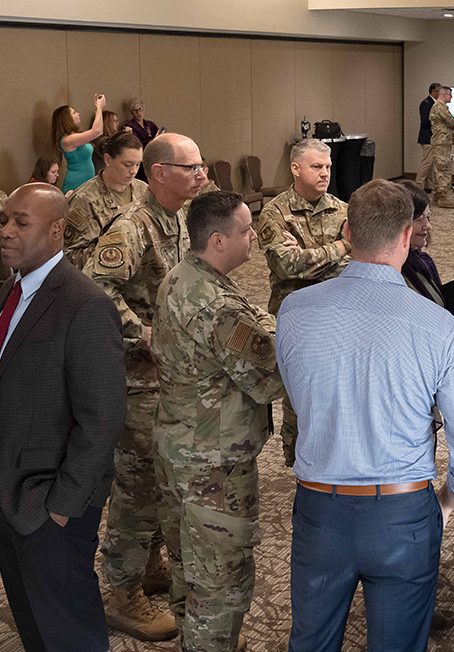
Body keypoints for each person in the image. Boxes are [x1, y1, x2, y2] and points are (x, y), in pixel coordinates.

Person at [276, 179, 454, 652]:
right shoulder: (438, 326)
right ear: (407, 233)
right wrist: (449, 503)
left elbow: (299, 398)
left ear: (348, 232)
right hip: (403, 513)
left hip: (318, 511)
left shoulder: (293, 310)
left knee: (310, 642)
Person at [0, 183, 125, 652]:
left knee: (68, 623)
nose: (5, 232)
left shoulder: (84, 303)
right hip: (5, 485)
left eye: (20, 222)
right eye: (3, 220)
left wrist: (61, 505)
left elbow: (103, 417)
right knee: (33, 618)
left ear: (57, 230)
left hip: (50, 500)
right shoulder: (13, 287)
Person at [84, 133, 207, 641]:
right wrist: (144, 332)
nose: (201, 174)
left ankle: (149, 564)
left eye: (201, 166)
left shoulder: (177, 217)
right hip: (137, 383)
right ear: (159, 173)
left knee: (163, 481)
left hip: (169, 377)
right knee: (136, 491)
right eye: (191, 166)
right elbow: (95, 287)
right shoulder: (132, 226)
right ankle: (121, 593)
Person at [151, 190, 287, 652]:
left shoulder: (180, 276)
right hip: (214, 464)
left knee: (189, 567)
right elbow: (269, 379)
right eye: (246, 231)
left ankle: (203, 638)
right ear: (217, 239)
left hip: (178, 444)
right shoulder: (219, 305)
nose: (253, 238)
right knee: (221, 583)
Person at [254, 138, 349, 467]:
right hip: (296, 322)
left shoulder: (342, 209)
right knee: (300, 398)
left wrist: (309, 255)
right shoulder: (274, 213)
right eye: (316, 167)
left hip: (338, 319)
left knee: (337, 394)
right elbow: (286, 266)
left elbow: (360, 264)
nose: (325, 173)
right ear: (296, 169)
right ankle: (298, 460)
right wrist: (340, 247)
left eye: (328, 167)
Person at [63, 132, 148, 267]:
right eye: (128, 164)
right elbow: (68, 257)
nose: (134, 171)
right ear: (108, 160)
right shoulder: (85, 200)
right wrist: (115, 250)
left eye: (138, 164)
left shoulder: (143, 190)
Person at [398, 180, 444, 306]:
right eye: (419, 219)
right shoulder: (397, 275)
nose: (428, 226)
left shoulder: (420, 261)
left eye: (428, 217)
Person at [52, 94, 107, 195]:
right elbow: (97, 131)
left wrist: (99, 109)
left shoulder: (75, 136)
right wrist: (99, 107)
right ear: (67, 119)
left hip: (87, 182)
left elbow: (98, 131)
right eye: (73, 113)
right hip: (76, 183)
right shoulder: (68, 140)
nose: (78, 113)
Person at [429, 85, 454, 207]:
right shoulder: (440, 107)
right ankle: (442, 197)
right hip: (441, 142)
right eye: (450, 95)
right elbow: (452, 122)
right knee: (443, 168)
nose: (451, 97)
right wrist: (453, 121)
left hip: (441, 141)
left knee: (439, 168)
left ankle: (437, 196)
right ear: (444, 95)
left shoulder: (440, 106)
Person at [418, 82, 442, 193]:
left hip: (433, 137)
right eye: (438, 91)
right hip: (427, 137)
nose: (440, 93)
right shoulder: (426, 103)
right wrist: (439, 120)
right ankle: (419, 186)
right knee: (427, 162)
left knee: (432, 163)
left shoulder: (435, 103)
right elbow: (425, 121)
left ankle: (429, 185)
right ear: (433, 92)